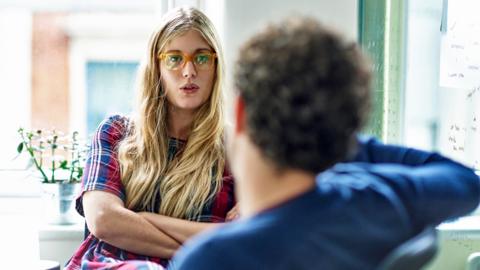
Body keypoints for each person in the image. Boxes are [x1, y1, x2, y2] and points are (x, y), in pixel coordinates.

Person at [169, 16, 480, 270]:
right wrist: (333, 134)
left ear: (241, 113)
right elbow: (464, 182)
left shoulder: (212, 260)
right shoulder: (377, 205)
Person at [66, 7, 236, 270]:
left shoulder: (236, 148)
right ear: (155, 67)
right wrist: (197, 248)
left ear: (216, 66)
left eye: (201, 58)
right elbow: (103, 219)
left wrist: (142, 219)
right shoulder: (115, 132)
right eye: (174, 58)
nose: (189, 71)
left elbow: (239, 239)